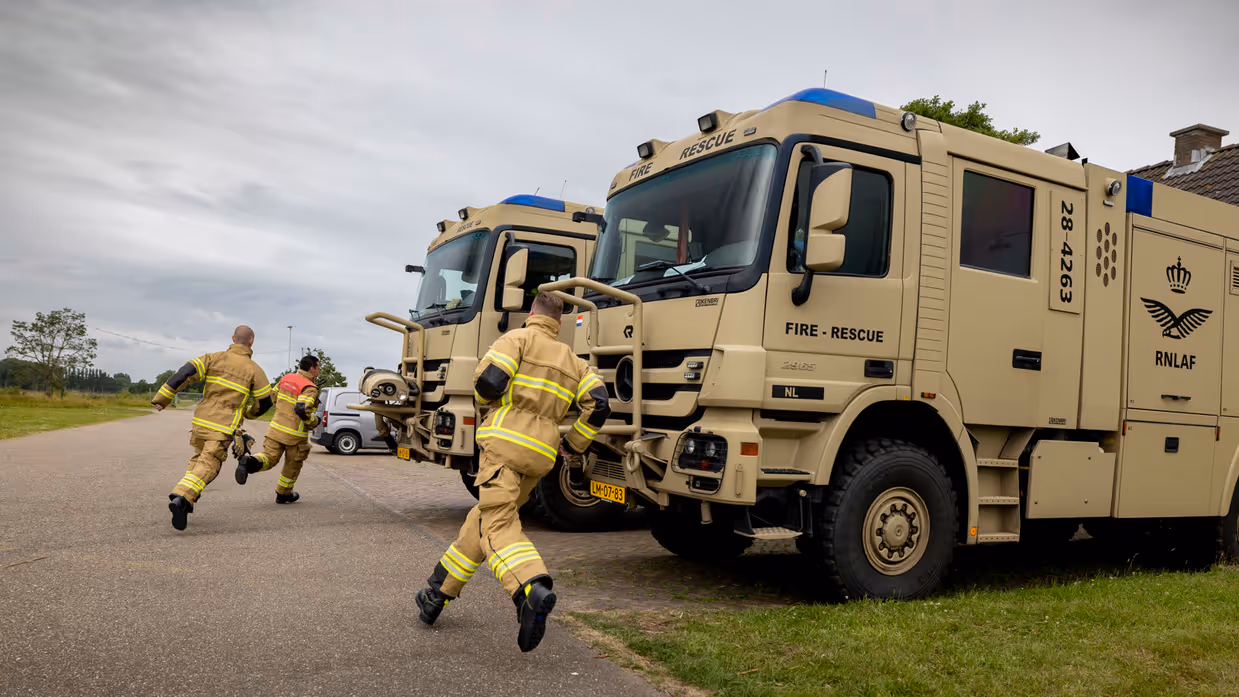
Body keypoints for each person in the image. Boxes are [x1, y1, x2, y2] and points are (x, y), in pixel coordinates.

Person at [413, 292, 609, 652]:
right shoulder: (574, 360)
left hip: (503, 446)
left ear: (531, 313)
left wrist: (489, 405)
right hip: (540, 455)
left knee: (498, 525)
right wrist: (575, 444)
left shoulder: (516, 339)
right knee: (486, 519)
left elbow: (488, 381)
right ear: (559, 323)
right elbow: (599, 405)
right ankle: (435, 595)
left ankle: (530, 589)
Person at [153, 326, 272, 531]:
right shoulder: (255, 370)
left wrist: (163, 397)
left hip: (201, 422)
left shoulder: (212, 358)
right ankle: (182, 496)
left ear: (233, 338)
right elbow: (265, 403)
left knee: (199, 460)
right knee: (211, 465)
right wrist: (249, 414)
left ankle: (188, 502)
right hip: (223, 426)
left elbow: (185, 373)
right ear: (251, 341)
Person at [234, 355, 321, 503]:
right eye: (318, 367)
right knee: (293, 464)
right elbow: (301, 409)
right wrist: (314, 421)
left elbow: (269, 398)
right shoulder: (309, 388)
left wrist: (249, 413)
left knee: (269, 457)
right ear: (312, 368)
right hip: (295, 436)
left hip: (275, 430)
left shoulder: (286, 378)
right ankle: (283, 494)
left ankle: (249, 463)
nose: (319, 371)